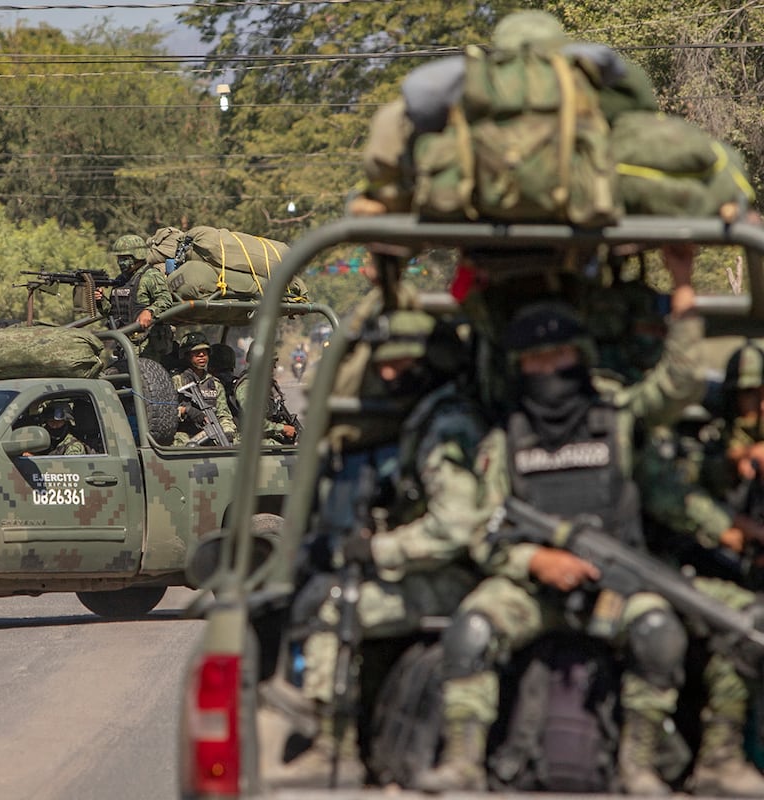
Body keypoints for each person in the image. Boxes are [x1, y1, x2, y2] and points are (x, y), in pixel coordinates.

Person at [416, 253, 764, 796]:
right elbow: (484, 530)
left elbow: (671, 487)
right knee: (473, 629)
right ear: (518, 368)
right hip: (532, 587)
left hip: (616, 585)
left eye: (559, 356)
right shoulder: (504, 438)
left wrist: (726, 526)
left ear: (580, 356)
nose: (549, 370)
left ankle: (639, 764)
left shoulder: (618, 424)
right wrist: (535, 559)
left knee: (661, 633)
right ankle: (463, 762)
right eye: (535, 361)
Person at [271, 309, 485, 783]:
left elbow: (455, 527)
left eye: (400, 365)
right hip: (457, 564)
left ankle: (334, 747)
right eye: (384, 365)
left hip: (463, 574)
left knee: (336, 607)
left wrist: (379, 552)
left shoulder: (448, 422)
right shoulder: (435, 412)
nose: (387, 376)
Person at [107, 234, 178, 364]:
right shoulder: (121, 280)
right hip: (125, 342)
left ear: (137, 256)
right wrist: (100, 301)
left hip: (147, 345)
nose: (120, 263)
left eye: (125, 258)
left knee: (147, 380)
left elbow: (165, 299)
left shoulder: (150, 275)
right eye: (119, 258)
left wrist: (149, 311)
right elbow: (112, 311)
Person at [172, 331, 236, 446]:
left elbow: (224, 414)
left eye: (204, 352)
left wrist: (227, 432)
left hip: (211, 434)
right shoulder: (176, 381)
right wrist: (186, 411)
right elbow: (164, 413)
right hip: (183, 435)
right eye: (196, 352)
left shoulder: (215, 384)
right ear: (186, 355)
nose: (201, 355)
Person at [233, 348, 299, 444]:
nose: (274, 367)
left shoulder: (268, 384)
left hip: (269, 435)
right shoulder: (247, 387)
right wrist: (282, 429)